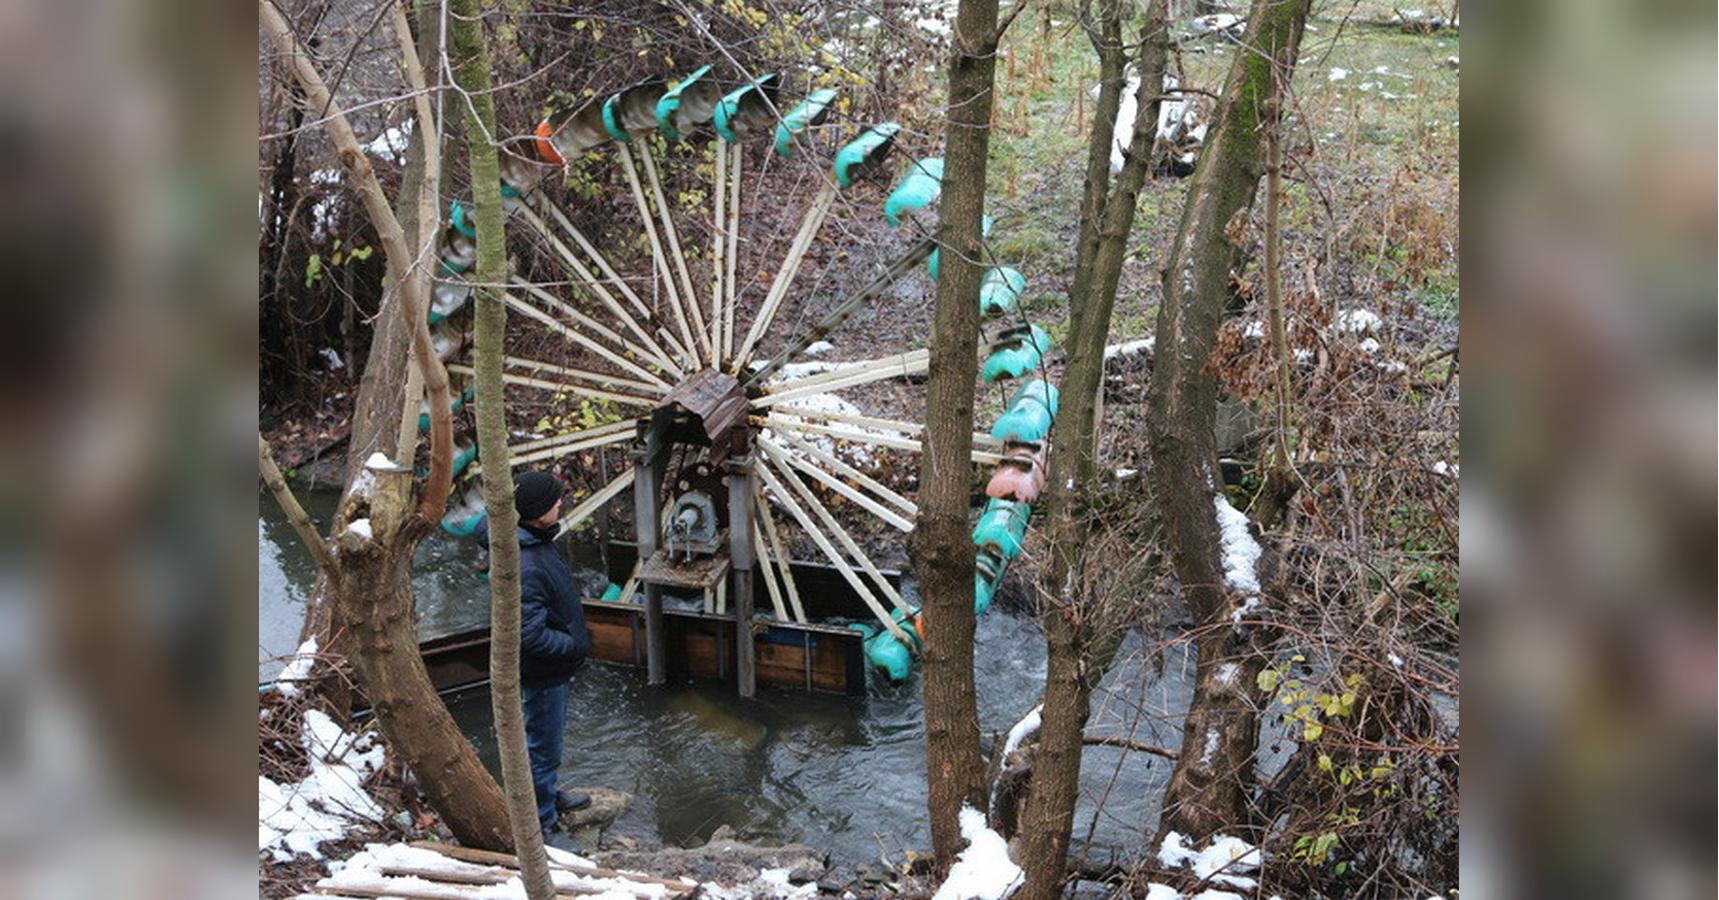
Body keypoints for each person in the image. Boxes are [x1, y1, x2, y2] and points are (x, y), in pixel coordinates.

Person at [479, 470, 593, 840]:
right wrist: (572, 646)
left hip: (548, 669)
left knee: (546, 742)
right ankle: (543, 823)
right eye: (555, 499)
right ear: (538, 510)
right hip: (543, 672)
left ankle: (547, 794)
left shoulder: (532, 541)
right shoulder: (527, 563)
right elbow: (528, 635)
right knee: (542, 747)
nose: (561, 502)